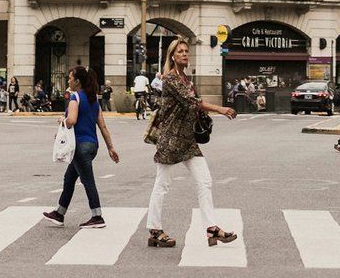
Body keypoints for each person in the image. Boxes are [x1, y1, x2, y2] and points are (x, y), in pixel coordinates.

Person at [142, 39, 239, 249]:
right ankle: (155, 230)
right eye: (180, 52)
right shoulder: (170, 79)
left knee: (204, 180)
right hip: (170, 140)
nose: (185, 54)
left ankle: (211, 227)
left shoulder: (185, 78)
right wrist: (221, 109)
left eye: (187, 51)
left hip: (187, 140)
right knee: (162, 185)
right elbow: (192, 102)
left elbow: (192, 104)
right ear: (172, 56)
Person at [44, 65, 119, 229]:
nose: (68, 80)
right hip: (92, 146)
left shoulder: (75, 97)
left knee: (88, 181)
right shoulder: (93, 100)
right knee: (69, 178)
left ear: (77, 81)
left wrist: (61, 121)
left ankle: (97, 216)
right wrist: (110, 148)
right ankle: (59, 213)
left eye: (70, 78)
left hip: (79, 147)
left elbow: (72, 120)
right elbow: (103, 127)